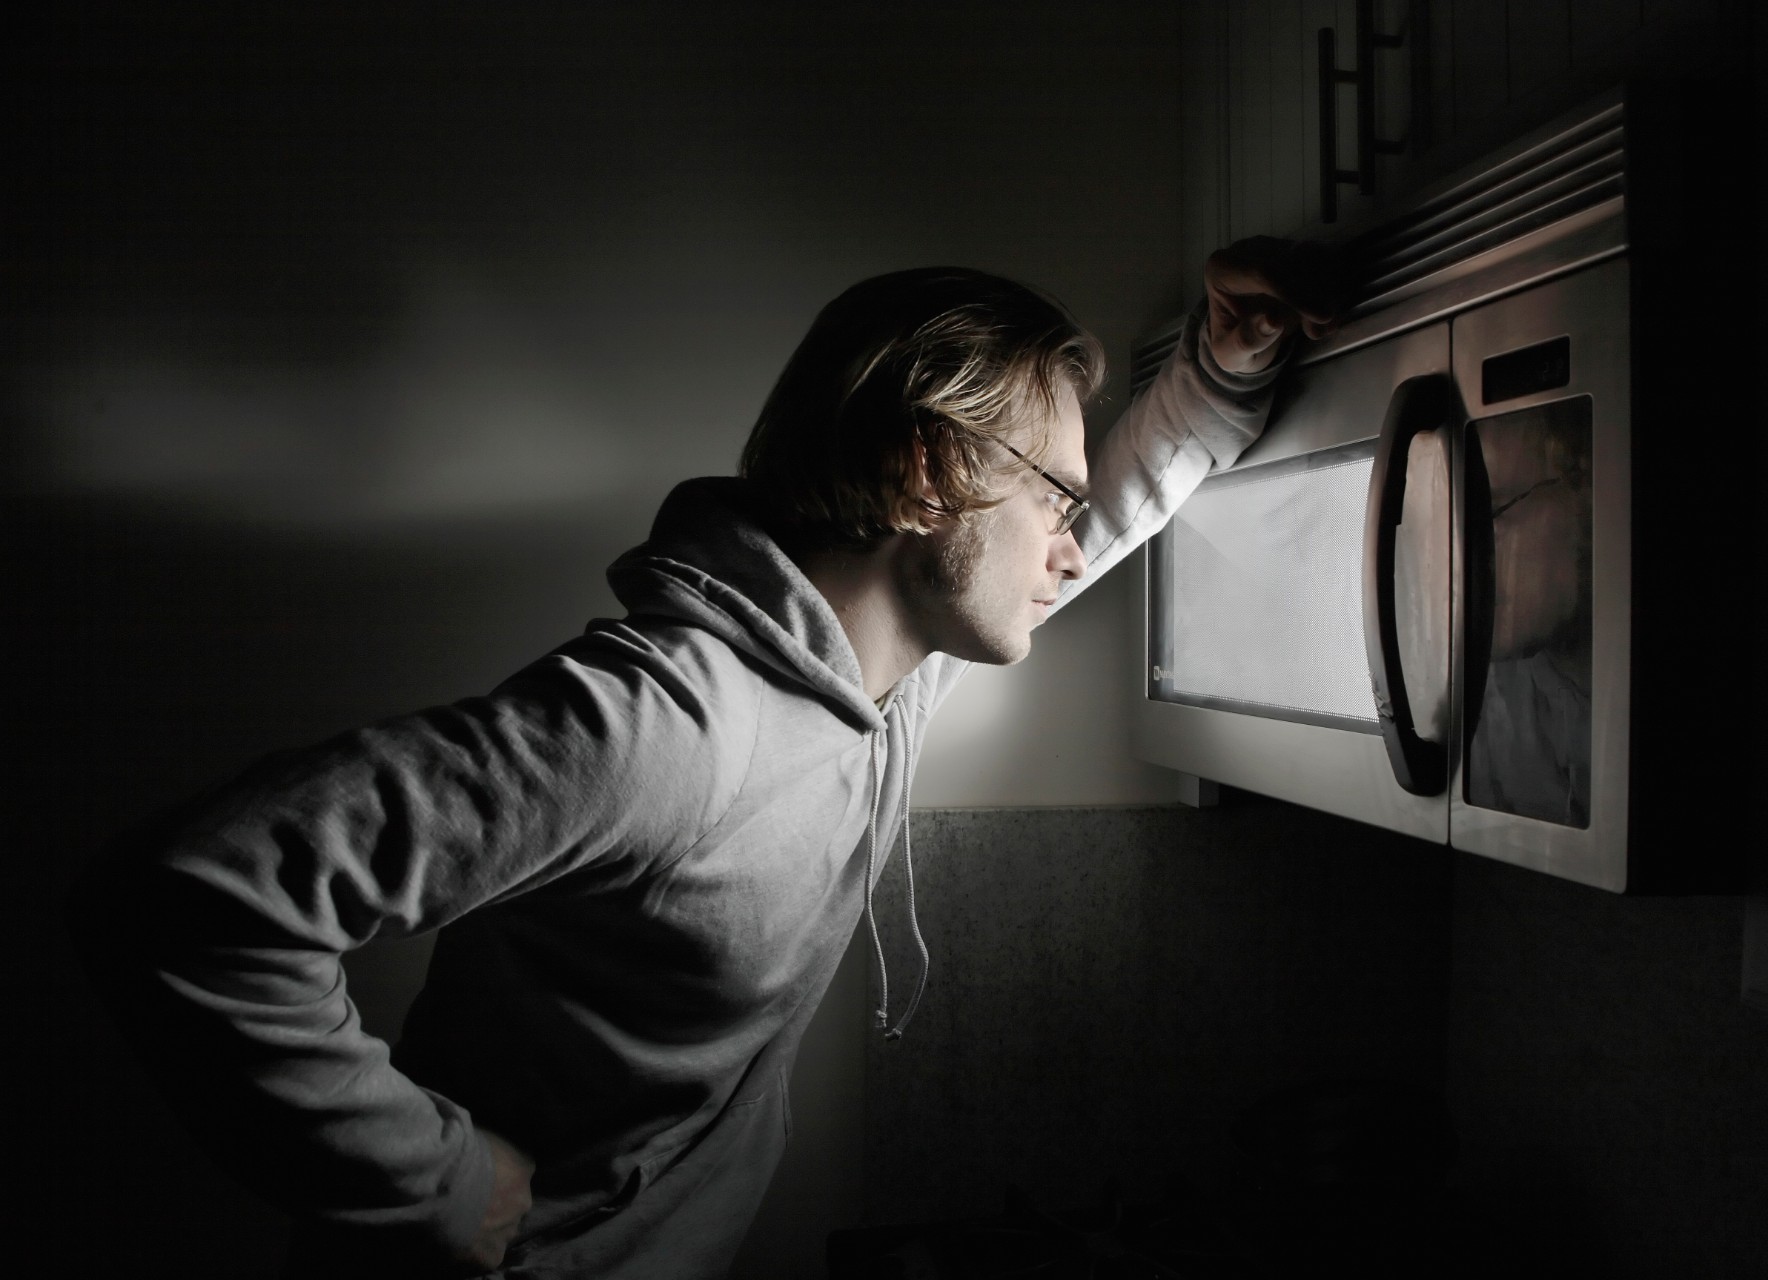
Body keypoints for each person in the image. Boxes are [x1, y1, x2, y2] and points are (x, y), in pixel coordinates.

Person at [71, 238, 1338, 1279]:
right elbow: (190, 896)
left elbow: (1098, 521)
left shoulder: (884, 677)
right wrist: (438, 1179)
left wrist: (1221, 380)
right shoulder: (662, 726)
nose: (1068, 544)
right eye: (1046, 501)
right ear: (927, 473)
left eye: (1068, 507)